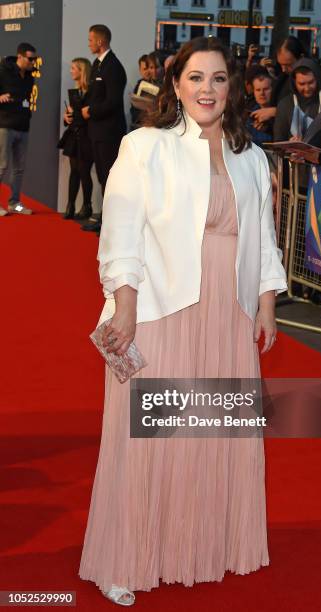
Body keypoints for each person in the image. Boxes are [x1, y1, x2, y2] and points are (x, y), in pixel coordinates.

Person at [79, 36, 287, 605]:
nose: (207, 90)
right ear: (176, 85)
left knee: (213, 432)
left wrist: (266, 303)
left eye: (218, 79)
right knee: (148, 437)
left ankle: (206, 546)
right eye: (196, 78)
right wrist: (124, 304)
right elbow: (120, 229)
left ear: (232, 88)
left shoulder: (250, 154)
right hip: (164, 307)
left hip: (228, 311)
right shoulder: (146, 145)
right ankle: (126, 556)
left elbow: (263, 236)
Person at [81, 24, 127, 233]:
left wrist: (91, 110)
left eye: (91, 39)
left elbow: (113, 101)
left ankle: (111, 224)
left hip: (109, 133)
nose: (88, 43)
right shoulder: (97, 65)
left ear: (100, 42)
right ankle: (106, 220)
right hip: (96, 131)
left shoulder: (114, 67)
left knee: (109, 178)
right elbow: (92, 95)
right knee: (101, 177)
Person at [0, 42, 37, 217]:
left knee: (19, 168)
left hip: (23, 125)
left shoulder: (30, 76)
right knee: (2, 165)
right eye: (30, 58)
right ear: (20, 56)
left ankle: (14, 203)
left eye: (34, 59)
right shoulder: (3, 70)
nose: (33, 62)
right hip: (5, 125)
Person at [58, 58, 93, 220]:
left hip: (87, 137)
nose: (71, 71)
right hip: (74, 135)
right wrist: (67, 117)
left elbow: (90, 116)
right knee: (74, 172)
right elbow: (73, 116)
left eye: (74, 68)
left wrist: (76, 115)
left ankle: (87, 206)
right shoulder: (74, 92)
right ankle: (70, 205)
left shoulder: (92, 92)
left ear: (82, 71)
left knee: (84, 172)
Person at [273, 59, 321, 142]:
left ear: (317, 78)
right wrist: (288, 144)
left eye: (311, 82)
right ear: (294, 82)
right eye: (302, 84)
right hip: (293, 153)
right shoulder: (285, 104)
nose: (307, 88)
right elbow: (278, 140)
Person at [246, 72, 274, 147]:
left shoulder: (281, 112)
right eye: (258, 90)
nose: (262, 93)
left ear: (272, 89)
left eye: (266, 89)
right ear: (254, 92)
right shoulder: (248, 114)